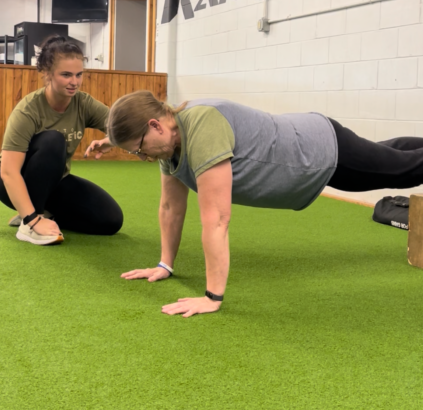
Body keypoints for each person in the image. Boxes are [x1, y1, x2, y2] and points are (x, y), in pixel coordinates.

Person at [95, 91, 423, 316]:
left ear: (155, 125)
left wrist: (212, 297)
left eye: (140, 149)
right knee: (391, 156)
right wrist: (165, 264)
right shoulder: (170, 143)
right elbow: (170, 208)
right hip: (310, 140)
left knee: (403, 170)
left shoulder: (202, 129)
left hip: (319, 152)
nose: (142, 157)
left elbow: (217, 219)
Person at [0, 35, 122, 245]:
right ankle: (30, 221)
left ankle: (42, 212)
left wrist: (110, 141)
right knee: (53, 140)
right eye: (66, 75)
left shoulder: (83, 103)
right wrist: (32, 220)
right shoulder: (28, 109)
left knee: (111, 220)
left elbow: (122, 128)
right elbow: (8, 172)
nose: (74, 82)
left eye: (79, 74)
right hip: (9, 181)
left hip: (54, 182)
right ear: (47, 74)